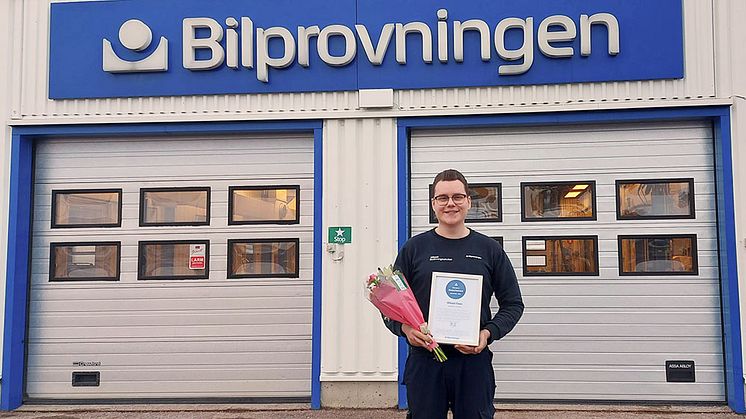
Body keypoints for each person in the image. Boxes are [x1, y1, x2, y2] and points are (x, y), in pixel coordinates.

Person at [384, 169, 524, 419]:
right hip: (425, 360)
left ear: (469, 202)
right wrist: (405, 330)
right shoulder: (414, 249)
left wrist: (486, 333)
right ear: (433, 204)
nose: (451, 203)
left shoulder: (489, 250)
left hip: (472, 362)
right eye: (443, 198)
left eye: (458, 197)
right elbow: (390, 305)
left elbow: (513, 304)